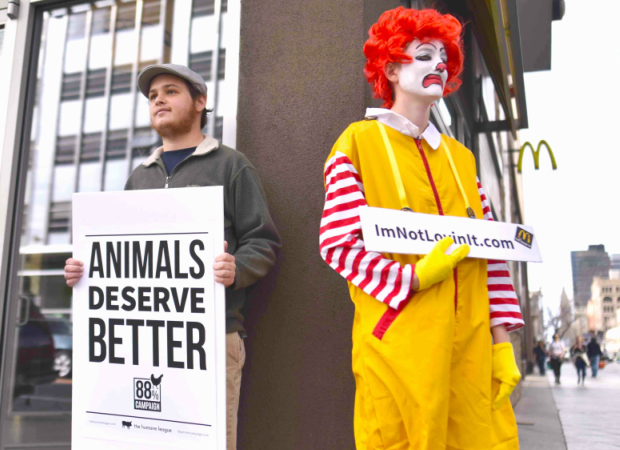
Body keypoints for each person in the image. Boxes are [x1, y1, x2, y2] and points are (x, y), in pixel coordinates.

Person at [319, 7, 524, 449]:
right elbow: (338, 244)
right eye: (425, 55)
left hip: (471, 350)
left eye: (444, 59)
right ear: (391, 68)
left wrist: (500, 341)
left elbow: (492, 256)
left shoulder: (462, 159)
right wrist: (413, 278)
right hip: (400, 348)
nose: (439, 66)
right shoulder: (356, 144)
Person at [63, 64, 282, 450]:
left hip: (211, 339)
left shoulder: (231, 165)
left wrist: (236, 269)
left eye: (170, 91)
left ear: (200, 102)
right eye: (152, 96)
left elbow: (262, 241)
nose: (158, 100)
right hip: (141, 343)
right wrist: (86, 271)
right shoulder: (139, 177)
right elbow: (125, 256)